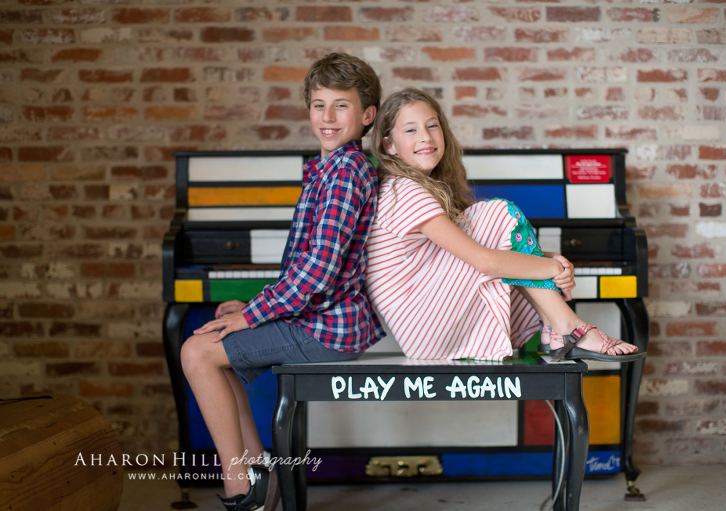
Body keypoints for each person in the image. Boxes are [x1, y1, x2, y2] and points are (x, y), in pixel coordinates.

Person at [180, 53, 386, 511]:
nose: (327, 117)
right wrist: (250, 309)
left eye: (341, 106)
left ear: (368, 115)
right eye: (318, 105)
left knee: (196, 352)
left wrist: (252, 315)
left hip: (327, 328)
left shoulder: (345, 173)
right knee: (213, 346)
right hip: (322, 319)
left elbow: (320, 270)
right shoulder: (329, 169)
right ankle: (258, 471)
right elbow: (306, 270)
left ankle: (243, 488)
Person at [365, 88, 645, 363]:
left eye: (432, 126)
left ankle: (559, 327)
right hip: (424, 325)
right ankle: (567, 326)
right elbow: (484, 260)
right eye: (411, 130)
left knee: (507, 248)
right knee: (498, 214)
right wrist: (550, 267)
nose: (425, 136)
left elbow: (470, 251)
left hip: (424, 324)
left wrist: (547, 258)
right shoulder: (404, 190)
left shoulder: (412, 187)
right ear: (390, 145)